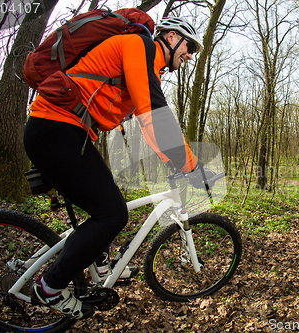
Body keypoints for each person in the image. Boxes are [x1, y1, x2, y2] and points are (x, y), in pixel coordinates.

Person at [23, 16, 205, 319]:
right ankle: (50, 288)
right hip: (56, 130)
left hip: (67, 133)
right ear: (172, 37)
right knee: (113, 214)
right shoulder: (139, 45)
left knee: (109, 199)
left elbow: (147, 122)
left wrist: (170, 160)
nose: (190, 56)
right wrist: (189, 164)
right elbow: (154, 114)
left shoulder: (148, 64)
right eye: (190, 47)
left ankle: (101, 262)